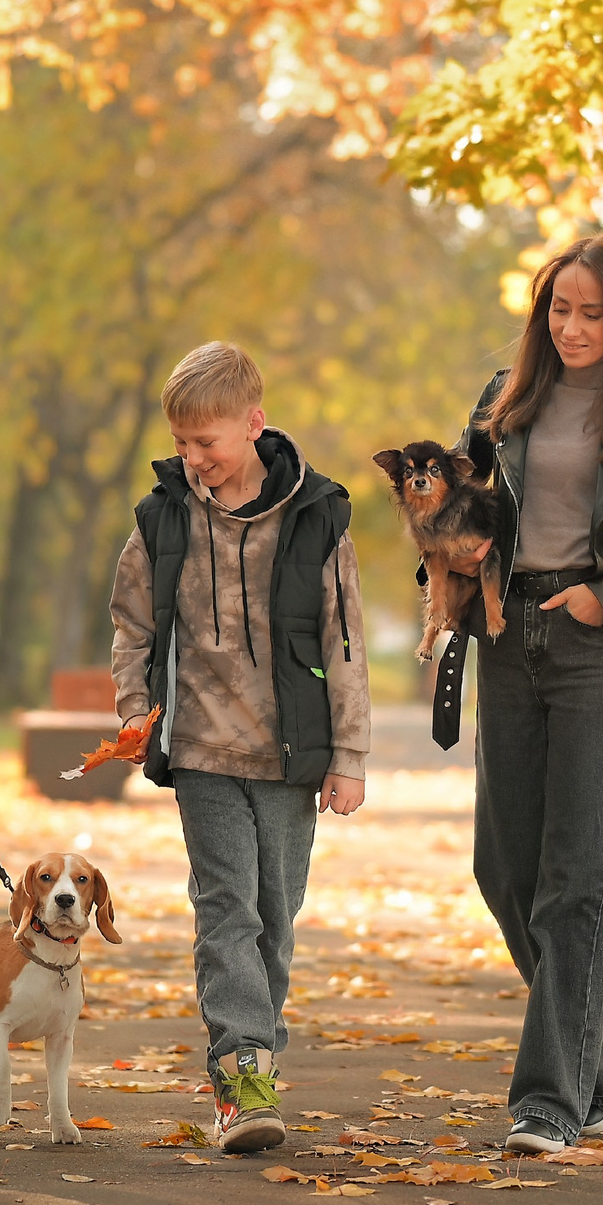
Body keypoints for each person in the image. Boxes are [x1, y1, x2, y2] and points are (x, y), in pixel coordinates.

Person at [448, 234, 603, 1156]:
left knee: (575, 880)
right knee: (502, 867)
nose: (573, 326)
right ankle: (600, 1044)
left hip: (595, 645)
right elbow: (460, 505)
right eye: (560, 308)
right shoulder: (503, 400)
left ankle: (548, 1101)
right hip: (506, 634)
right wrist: (456, 551)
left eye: (593, 312)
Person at [108, 342, 370, 1154]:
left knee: (274, 919)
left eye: (207, 441)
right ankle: (242, 1072)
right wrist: (136, 710)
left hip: (289, 756)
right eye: (181, 442)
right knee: (226, 909)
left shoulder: (316, 515)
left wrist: (350, 755)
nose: (193, 457)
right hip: (201, 750)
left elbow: (346, 638)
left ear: (253, 424)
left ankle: (258, 1052)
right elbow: (132, 625)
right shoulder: (162, 518)